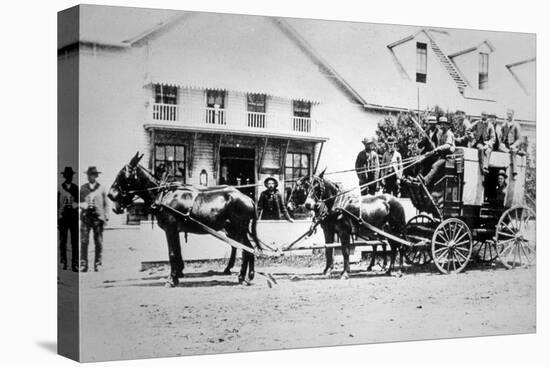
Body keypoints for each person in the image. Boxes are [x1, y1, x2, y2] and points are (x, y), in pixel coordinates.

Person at [80, 166, 109, 272]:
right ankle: (83, 263)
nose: (90, 177)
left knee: (99, 241)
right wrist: (82, 205)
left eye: (92, 175)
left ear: (96, 176)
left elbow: (106, 203)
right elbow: (77, 202)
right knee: (84, 241)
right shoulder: (83, 188)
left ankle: (98, 263)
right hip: (86, 217)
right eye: (89, 175)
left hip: (98, 218)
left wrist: (106, 215)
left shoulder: (101, 188)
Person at [421, 116, 456, 187]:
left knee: (435, 165)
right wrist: (431, 153)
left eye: (443, 124)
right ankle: (425, 181)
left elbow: (448, 145)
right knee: (428, 161)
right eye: (441, 124)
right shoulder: (441, 134)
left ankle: (425, 180)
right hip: (442, 155)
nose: (442, 126)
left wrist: (438, 149)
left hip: (448, 157)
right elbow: (438, 147)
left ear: (447, 125)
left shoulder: (449, 134)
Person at [58, 167, 79, 271]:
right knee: (63, 241)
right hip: (63, 218)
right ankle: (63, 261)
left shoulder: (75, 188)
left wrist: (74, 204)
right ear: (64, 176)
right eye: (67, 175)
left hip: (74, 217)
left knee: (75, 241)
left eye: (70, 175)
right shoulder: (60, 188)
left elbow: (80, 202)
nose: (69, 177)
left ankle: (75, 263)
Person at [499, 109, 523, 179]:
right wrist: (502, 143)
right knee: (499, 147)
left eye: (510, 114)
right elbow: (501, 137)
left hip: (513, 145)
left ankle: (514, 172)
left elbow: (519, 139)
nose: (509, 115)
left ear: (513, 115)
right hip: (505, 146)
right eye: (508, 114)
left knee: (513, 151)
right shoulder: (504, 125)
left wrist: (514, 145)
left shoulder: (516, 125)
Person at [470, 112, 496, 176]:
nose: (484, 116)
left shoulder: (490, 125)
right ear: (481, 115)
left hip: (487, 143)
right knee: (481, 149)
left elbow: (493, 138)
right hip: (479, 142)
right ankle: (482, 168)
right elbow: (468, 129)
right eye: (483, 115)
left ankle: (485, 167)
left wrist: (488, 144)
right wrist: (472, 136)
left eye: (486, 115)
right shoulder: (477, 123)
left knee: (488, 151)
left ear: (487, 117)